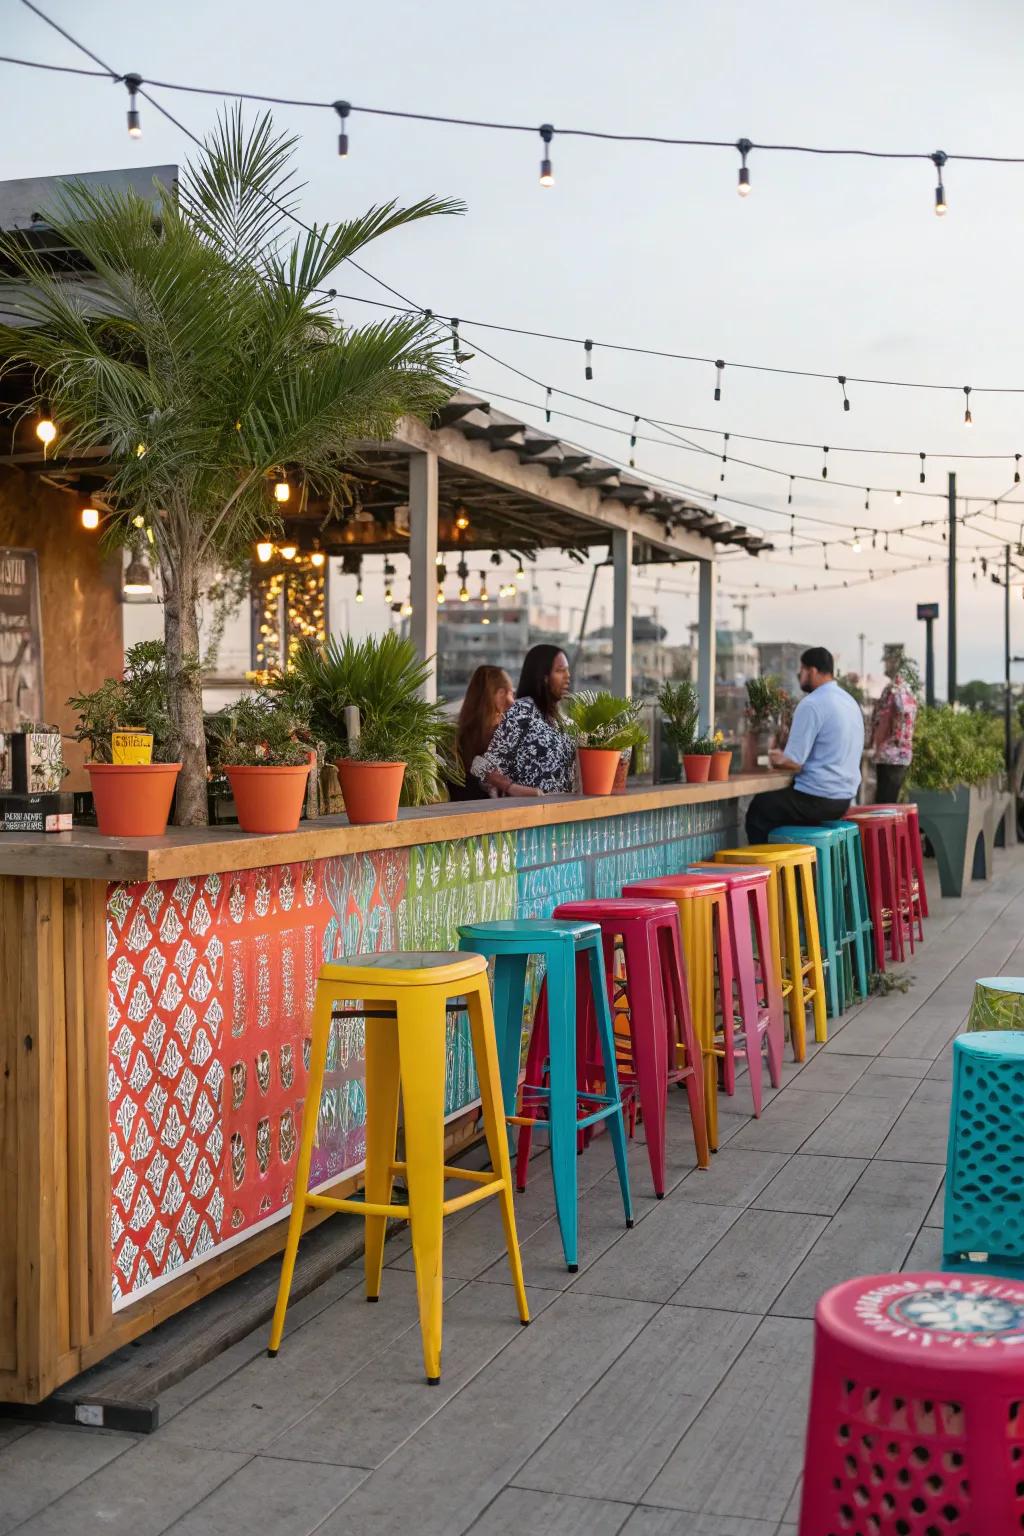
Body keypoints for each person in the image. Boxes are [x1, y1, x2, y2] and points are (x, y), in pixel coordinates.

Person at [746, 646, 864, 843]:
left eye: (801, 669)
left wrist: (773, 757)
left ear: (813, 671)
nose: (799, 674)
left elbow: (794, 762)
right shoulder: (849, 702)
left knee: (759, 810)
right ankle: (799, 867)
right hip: (843, 799)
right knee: (778, 805)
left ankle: (770, 873)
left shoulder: (812, 703)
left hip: (817, 798)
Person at [472, 644, 576, 796]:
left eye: (567, 669)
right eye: (560, 670)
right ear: (544, 677)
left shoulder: (563, 719)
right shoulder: (523, 710)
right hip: (528, 813)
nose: (568, 676)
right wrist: (512, 788)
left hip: (564, 813)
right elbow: (481, 767)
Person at [450, 666, 516, 801]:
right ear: (500, 694)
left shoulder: (455, 739)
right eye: (510, 693)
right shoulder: (505, 737)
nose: (513, 701)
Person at [870, 643, 918, 803]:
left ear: (895, 662)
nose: (885, 665)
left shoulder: (892, 690)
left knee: (883, 804)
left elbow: (882, 721)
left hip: (888, 755)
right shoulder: (908, 689)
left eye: (887, 661)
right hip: (902, 755)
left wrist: (875, 744)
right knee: (891, 803)